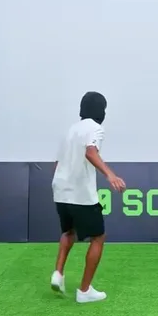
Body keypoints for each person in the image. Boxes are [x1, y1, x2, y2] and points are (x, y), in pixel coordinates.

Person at [51, 91, 125, 303]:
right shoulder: (95, 128)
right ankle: (84, 291)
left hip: (60, 189)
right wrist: (111, 175)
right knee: (98, 237)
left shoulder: (70, 130)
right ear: (101, 110)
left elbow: (57, 163)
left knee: (69, 232)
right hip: (81, 193)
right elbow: (90, 152)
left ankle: (58, 273)